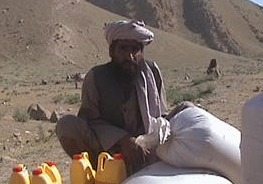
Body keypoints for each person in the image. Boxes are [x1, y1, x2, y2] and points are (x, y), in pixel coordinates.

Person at [55, 20, 192, 174]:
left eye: (135, 49)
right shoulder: (96, 77)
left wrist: (148, 140)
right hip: (109, 152)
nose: (130, 55)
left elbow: (161, 114)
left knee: (188, 109)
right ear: (111, 52)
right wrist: (123, 140)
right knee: (67, 125)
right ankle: (98, 176)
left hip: (149, 145)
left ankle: (184, 165)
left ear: (142, 52)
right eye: (123, 49)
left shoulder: (151, 71)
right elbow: (90, 120)